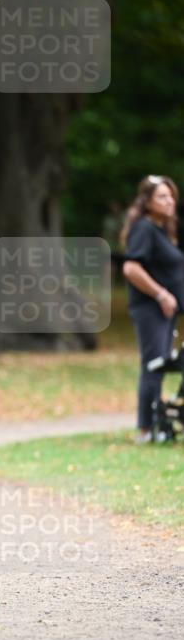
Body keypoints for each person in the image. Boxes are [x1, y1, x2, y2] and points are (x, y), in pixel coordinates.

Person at [120, 175, 184, 443]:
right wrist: (161, 294)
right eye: (162, 197)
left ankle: (160, 421)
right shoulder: (145, 228)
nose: (169, 201)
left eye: (171, 196)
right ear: (147, 202)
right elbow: (130, 268)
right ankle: (146, 429)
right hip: (151, 310)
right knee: (154, 364)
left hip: (167, 312)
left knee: (162, 364)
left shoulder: (162, 230)